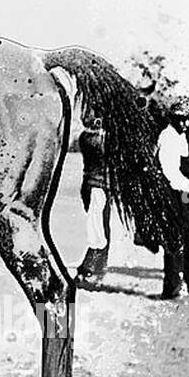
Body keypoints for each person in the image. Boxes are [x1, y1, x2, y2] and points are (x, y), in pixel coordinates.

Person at [154, 97, 189, 300]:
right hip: (174, 193)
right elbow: (170, 173)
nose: (185, 123)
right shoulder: (167, 137)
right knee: (175, 240)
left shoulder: (181, 136)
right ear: (173, 119)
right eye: (181, 119)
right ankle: (173, 286)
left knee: (188, 238)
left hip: (186, 193)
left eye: (187, 120)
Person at [74, 115, 110, 288]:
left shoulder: (84, 137)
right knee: (99, 232)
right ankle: (91, 270)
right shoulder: (97, 139)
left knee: (99, 228)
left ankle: (93, 268)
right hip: (99, 188)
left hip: (91, 185)